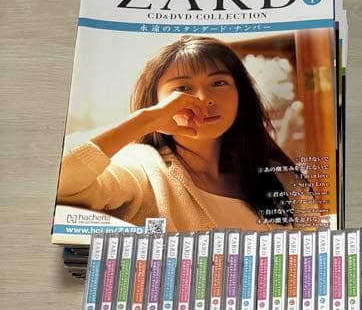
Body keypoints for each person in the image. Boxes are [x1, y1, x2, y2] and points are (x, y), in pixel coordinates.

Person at [57, 35, 321, 231]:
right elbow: (59, 179)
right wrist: (143, 121)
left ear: (241, 94)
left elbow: (316, 257)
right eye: (182, 88)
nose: (204, 98)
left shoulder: (282, 179)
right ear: (156, 102)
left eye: (219, 82)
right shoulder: (142, 168)